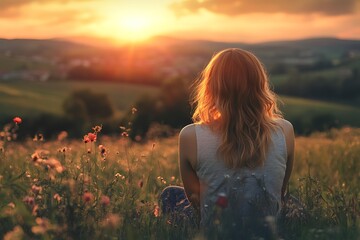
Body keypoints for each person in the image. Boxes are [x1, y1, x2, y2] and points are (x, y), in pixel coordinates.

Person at [176, 48, 295, 238]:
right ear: (260, 84)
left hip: (217, 232)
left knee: (170, 195)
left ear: (211, 87)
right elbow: (280, 191)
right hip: (268, 232)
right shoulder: (285, 130)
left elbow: (196, 201)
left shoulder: (190, 136)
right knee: (294, 202)